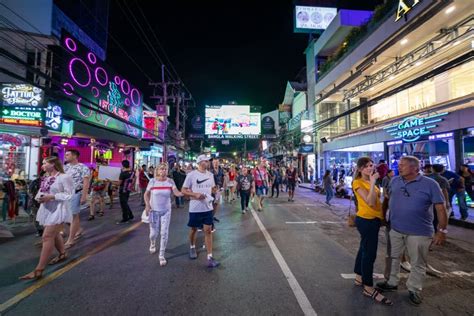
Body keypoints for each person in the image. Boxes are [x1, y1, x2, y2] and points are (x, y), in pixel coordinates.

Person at [377, 156, 447, 306]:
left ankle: (414, 289)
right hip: (395, 229)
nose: (399, 167)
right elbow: (387, 200)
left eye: (402, 165)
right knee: (394, 257)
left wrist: (442, 230)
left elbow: (441, 208)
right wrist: (383, 216)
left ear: (415, 168)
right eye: (399, 165)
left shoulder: (430, 184)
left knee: (418, 262)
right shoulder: (395, 180)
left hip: (419, 231)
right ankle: (392, 282)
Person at [19, 156, 74, 280]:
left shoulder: (64, 177)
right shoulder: (47, 177)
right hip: (46, 209)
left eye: (45, 163)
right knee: (53, 234)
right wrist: (39, 197)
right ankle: (62, 253)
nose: (42, 165)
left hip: (58, 209)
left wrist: (52, 197)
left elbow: (69, 194)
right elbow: (42, 191)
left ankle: (39, 270)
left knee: (47, 236)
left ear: (53, 164)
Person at [352, 157, 393, 306]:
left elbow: (376, 201)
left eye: (372, 166)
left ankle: (359, 277)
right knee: (370, 253)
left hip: (374, 219)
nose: (371, 168)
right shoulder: (358, 182)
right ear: (360, 169)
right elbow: (369, 201)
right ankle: (368, 287)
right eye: (367, 166)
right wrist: (373, 182)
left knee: (364, 248)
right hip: (366, 220)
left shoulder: (370, 181)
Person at [181, 155, 219, 268]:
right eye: (206, 161)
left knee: (208, 230)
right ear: (199, 162)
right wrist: (195, 194)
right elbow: (183, 190)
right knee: (193, 229)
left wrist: (215, 190)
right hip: (195, 208)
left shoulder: (210, 175)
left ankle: (210, 257)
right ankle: (192, 247)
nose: (208, 162)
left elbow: (212, 188)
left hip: (208, 207)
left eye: (208, 161)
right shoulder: (191, 175)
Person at [144, 163, 184, 266]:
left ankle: (161, 255)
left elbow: (176, 193)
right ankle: (152, 243)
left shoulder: (170, 181)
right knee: (154, 234)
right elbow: (146, 194)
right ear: (157, 170)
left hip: (166, 210)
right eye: (161, 169)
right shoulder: (152, 181)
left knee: (164, 233)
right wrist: (147, 205)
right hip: (154, 211)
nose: (164, 171)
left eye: (165, 169)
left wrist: (186, 193)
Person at [64, 149, 90, 249]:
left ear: (74, 156)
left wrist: (84, 195)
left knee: (73, 216)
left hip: (76, 193)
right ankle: (78, 230)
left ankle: (71, 240)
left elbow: (86, 182)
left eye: (67, 154)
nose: (65, 156)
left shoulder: (83, 167)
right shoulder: (65, 167)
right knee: (68, 216)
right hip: (65, 194)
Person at [425, 164, 450, 230]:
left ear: (432, 169)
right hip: (437, 201)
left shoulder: (425, 177)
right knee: (436, 218)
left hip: (425, 200)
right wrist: (447, 202)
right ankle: (435, 232)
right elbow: (445, 192)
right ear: (442, 170)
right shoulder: (443, 179)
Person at [116, 160, 135, 224]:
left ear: (123, 165)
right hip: (128, 190)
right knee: (125, 203)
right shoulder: (132, 173)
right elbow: (133, 180)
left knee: (123, 204)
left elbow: (119, 183)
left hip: (122, 190)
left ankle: (125, 218)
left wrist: (111, 182)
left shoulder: (123, 174)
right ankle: (130, 215)